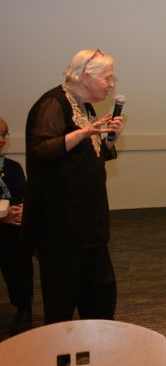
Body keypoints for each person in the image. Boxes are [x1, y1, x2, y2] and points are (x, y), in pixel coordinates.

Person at [23, 49, 124, 324]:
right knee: (62, 297)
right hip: (61, 226)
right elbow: (41, 150)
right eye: (107, 77)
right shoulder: (53, 103)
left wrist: (109, 140)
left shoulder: (83, 106)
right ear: (84, 76)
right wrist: (83, 133)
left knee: (100, 292)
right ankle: (61, 360)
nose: (111, 84)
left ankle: (97, 348)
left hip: (88, 223)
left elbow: (85, 159)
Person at [0, 117, 33, 335]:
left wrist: (18, 211)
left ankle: (24, 308)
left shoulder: (12, 167)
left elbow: (22, 196)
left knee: (18, 251)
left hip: (10, 227)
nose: (2, 140)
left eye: (4, 135)